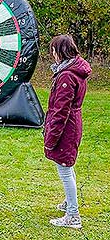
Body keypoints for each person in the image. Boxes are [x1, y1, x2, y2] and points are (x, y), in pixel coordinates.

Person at [44, 35, 91, 229]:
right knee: (68, 166)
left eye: (54, 51)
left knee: (64, 169)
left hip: (67, 127)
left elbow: (60, 111)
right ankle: (69, 202)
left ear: (60, 52)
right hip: (72, 124)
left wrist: (51, 137)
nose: (52, 55)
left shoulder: (66, 75)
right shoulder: (73, 71)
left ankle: (73, 215)